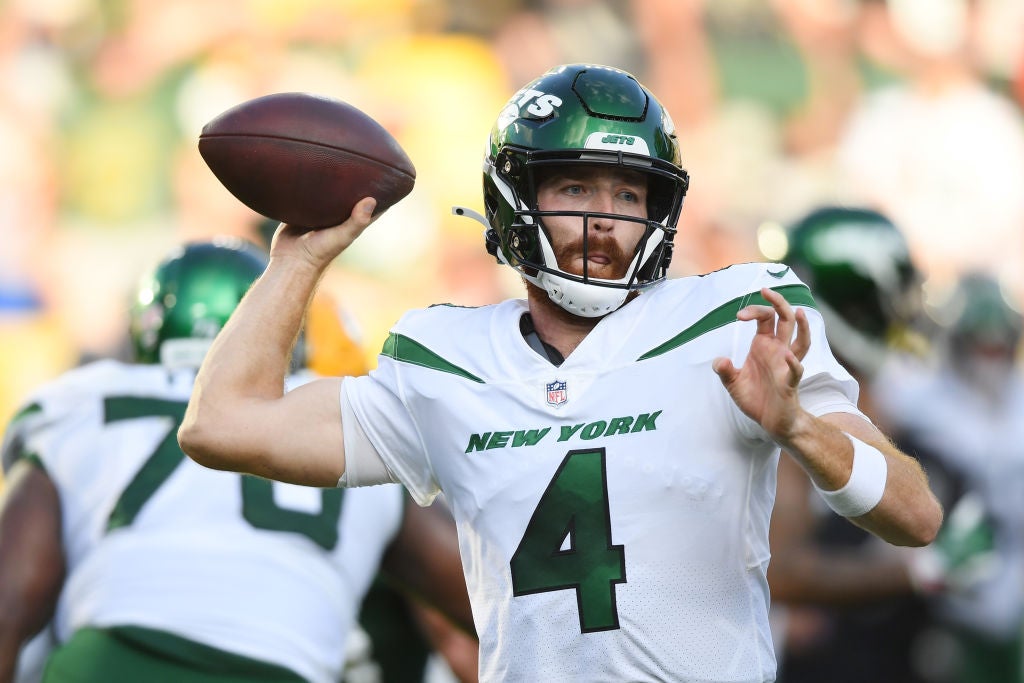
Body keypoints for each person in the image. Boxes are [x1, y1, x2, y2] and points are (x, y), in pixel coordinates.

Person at [179, 64, 943, 682]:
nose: (606, 218)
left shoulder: (738, 316)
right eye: (576, 187)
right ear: (516, 197)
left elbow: (916, 517)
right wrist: (300, 255)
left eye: (629, 192)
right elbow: (221, 424)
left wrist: (800, 428)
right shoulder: (443, 358)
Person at [0, 238, 473, 683]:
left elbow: (8, 606)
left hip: (113, 660)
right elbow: (483, 595)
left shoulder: (84, 404)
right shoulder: (339, 416)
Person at [764, 206, 946, 683]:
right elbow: (780, 572)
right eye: (896, 287)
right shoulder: (786, 397)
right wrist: (912, 574)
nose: (907, 305)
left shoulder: (889, 395)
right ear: (862, 292)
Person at [872, 271, 1024, 683]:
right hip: (939, 581)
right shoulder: (914, 397)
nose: (988, 356)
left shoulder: (1018, 402)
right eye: (979, 343)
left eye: (997, 345)